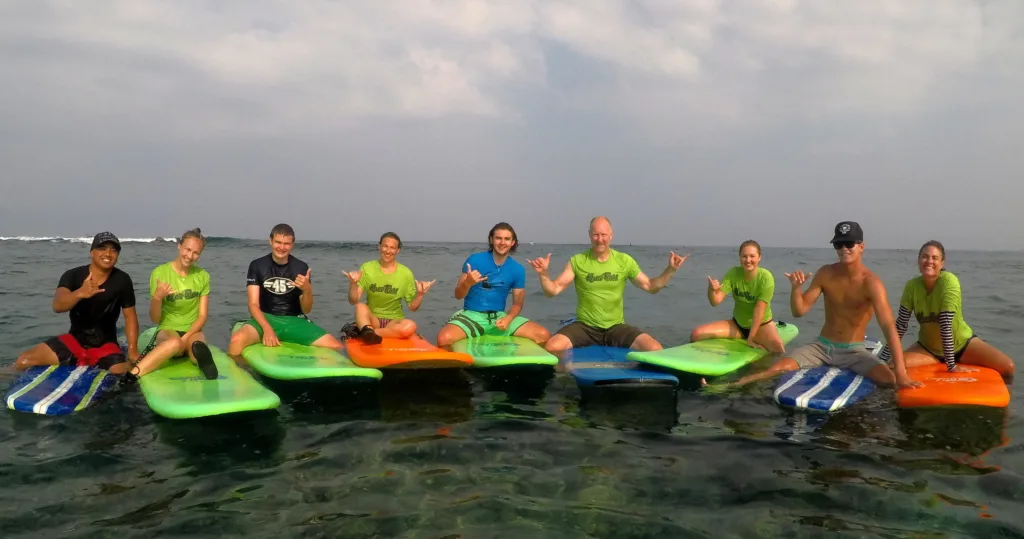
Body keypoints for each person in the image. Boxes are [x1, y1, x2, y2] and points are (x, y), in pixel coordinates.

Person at [710, 221, 921, 390]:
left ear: (861, 246)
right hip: (821, 347)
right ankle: (729, 386)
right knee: (777, 368)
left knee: (889, 380)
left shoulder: (871, 283)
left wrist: (902, 374)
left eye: (849, 244)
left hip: (853, 352)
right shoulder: (825, 273)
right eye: (839, 244)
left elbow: (888, 327)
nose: (844, 249)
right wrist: (795, 289)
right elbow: (799, 311)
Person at [526, 216, 686, 353]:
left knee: (654, 348)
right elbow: (553, 290)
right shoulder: (578, 261)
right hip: (585, 327)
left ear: (611, 235)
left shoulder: (624, 261)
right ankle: (565, 378)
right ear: (589, 235)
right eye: (595, 235)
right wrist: (543, 274)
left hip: (615, 326)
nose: (600, 239)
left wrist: (670, 270)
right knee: (552, 347)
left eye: (603, 234)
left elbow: (650, 286)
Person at [877, 240, 1014, 378]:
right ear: (918, 260)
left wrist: (951, 366)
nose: (929, 261)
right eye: (925, 256)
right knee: (891, 366)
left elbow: (945, 323)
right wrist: (881, 360)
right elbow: (900, 325)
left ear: (942, 263)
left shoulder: (949, 281)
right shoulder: (911, 286)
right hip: (928, 349)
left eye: (934, 258)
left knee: (1008, 368)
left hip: (963, 346)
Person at [14, 232, 138, 374]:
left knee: (121, 372)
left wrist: (133, 350)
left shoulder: (122, 279)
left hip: (106, 345)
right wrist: (79, 293)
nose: (108, 253)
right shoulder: (73, 275)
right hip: (74, 342)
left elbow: (130, 316)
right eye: (102, 248)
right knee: (23, 360)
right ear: (92, 252)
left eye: (113, 250)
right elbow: (58, 306)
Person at [227, 224, 342, 357]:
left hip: (294, 320)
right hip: (265, 318)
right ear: (270, 241)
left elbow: (306, 309)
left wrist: (307, 290)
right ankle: (242, 372)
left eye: (286, 244)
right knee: (236, 341)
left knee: (335, 346)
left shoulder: (301, 267)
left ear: (292, 244)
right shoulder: (257, 265)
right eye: (278, 242)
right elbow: (253, 304)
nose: (282, 247)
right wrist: (267, 329)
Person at [122, 228, 217, 384]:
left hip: (193, 330)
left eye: (196, 253)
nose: (190, 256)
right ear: (179, 246)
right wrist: (157, 298)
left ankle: (200, 359)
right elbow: (155, 318)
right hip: (167, 329)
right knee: (174, 343)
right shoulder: (160, 273)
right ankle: (132, 375)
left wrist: (186, 338)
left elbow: (202, 316)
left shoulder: (203, 276)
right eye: (187, 249)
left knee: (197, 348)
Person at [436, 222, 551, 347]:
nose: (502, 242)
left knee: (542, 334)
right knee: (444, 338)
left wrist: (508, 319)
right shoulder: (474, 260)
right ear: (491, 240)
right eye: (498, 238)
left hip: (499, 318)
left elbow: (517, 304)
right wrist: (468, 283)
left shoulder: (517, 269)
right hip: (473, 316)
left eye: (507, 239)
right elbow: (458, 295)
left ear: (512, 242)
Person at [690, 240, 785, 353]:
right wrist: (711, 290)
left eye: (752, 256)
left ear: (759, 257)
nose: (748, 260)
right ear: (740, 257)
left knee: (778, 350)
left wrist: (751, 338)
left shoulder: (766, 278)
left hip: (761, 325)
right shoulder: (733, 273)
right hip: (737, 325)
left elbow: (759, 310)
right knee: (696, 334)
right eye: (744, 256)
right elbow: (715, 301)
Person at [341, 232, 435, 344]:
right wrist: (353, 284)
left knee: (410, 326)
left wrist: (420, 294)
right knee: (360, 306)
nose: (388, 251)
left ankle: (366, 332)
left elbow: (412, 307)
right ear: (379, 246)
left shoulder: (406, 273)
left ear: (398, 250)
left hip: (394, 322)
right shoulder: (367, 268)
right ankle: (368, 330)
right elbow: (353, 300)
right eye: (385, 246)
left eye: (392, 248)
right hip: (373, 319)